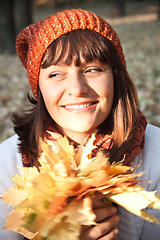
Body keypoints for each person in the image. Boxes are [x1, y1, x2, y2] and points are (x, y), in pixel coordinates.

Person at [0, 8, 160, 240]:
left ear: (116, 77)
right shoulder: (6, 165)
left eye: (92, 69)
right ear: (39, 87)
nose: (77, 88)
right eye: (56, 74)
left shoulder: (156, 154)